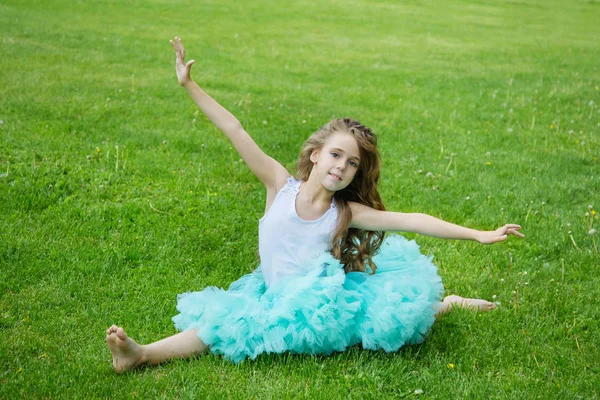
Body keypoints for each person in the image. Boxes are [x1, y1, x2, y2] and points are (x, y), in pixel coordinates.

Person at [105, 36, 524, 372]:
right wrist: (189, 84)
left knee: (385, 317)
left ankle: (447, 304)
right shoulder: (278, 185)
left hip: (318, 304)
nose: (342, 166)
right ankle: (139, 354)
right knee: (224, 322)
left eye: (353, 163)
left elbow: (413, 220)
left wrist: (477, 234)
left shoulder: (344, 213)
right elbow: (234, 128)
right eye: (337, 155)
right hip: (271, 290)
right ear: (315, 155)